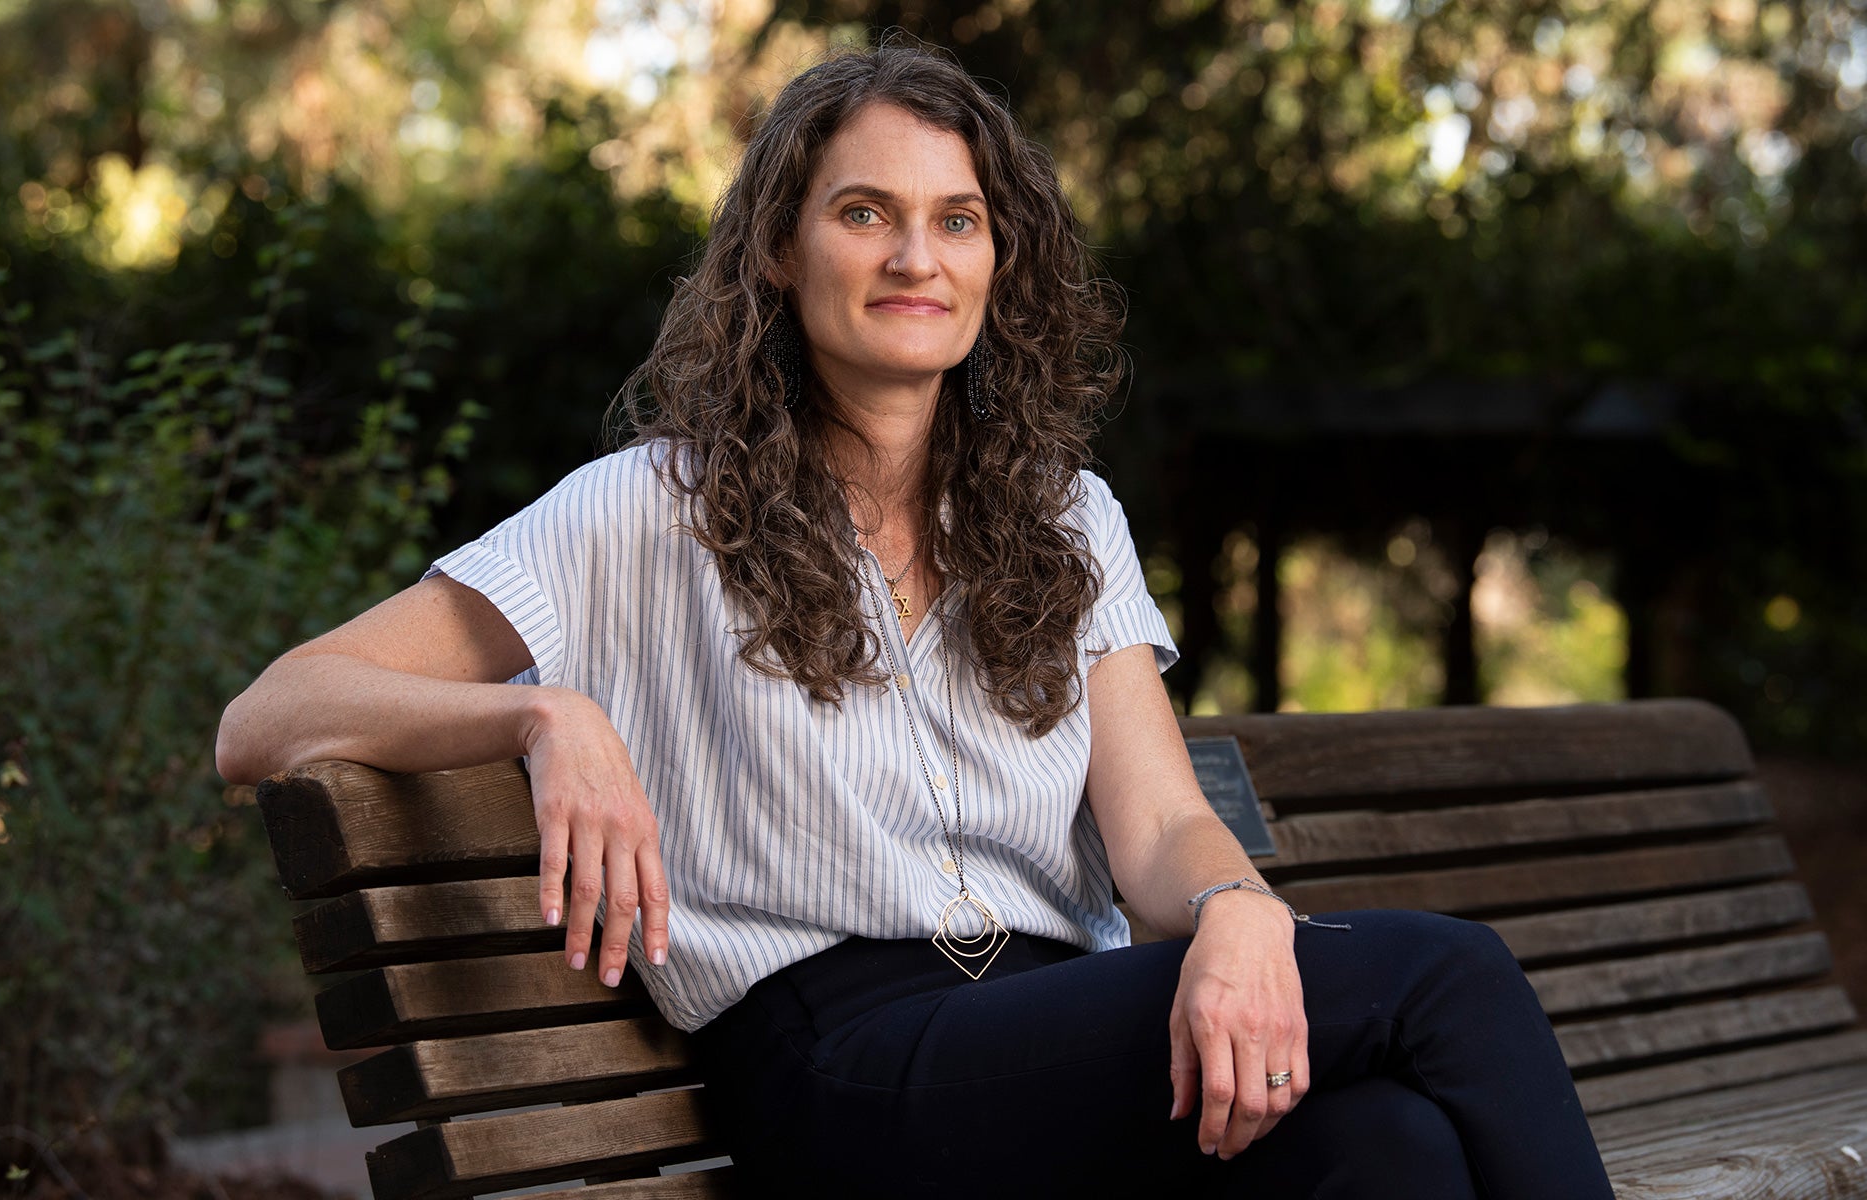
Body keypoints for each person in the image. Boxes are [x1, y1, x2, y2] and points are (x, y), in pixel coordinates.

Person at [218, 43, 1615, 1199]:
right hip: (850, 1076)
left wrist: (1239, 911)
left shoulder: (1065, 516)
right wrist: (540, 712)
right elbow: (265, 716)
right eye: (864, 211)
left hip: (1062, 1043)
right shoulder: (645, 510)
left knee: (1387, 1152)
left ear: (999, 262)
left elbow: (1157, 832)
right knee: (1449, 976)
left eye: (956, 219)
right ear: (778, 245)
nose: (915, 256)